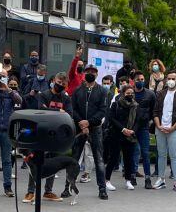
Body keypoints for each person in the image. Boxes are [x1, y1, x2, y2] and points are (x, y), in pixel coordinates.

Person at [24, 73, 71, 203]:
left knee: (53, 163)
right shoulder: (43, 95)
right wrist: (58, 112)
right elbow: (41, 110)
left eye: (63, 83)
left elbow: (69, 114)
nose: (60, 84)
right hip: (41, 133)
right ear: (53, 80)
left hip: (56, 135)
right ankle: (30, 191)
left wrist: (52, 110)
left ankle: (48, 191)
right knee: (35, 162)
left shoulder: (66, 98)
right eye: (58, 81)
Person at [71, 64, 109, 199]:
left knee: (99, 159)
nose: (90, 73)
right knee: (75, 158)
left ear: (97, 74)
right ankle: (68, 187)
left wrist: (89, 122)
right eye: (88, 71)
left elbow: (102, 110)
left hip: (95, 128)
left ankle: (102, 189)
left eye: (93, 72)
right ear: (84, 73)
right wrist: (81, 122)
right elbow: (72, 108)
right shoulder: (77, 90)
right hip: (79, 128)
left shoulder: (102, 91)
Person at [153, 71, 176, 192]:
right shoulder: (160, 94)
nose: (171, 81)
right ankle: (161, 179)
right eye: (169, 78)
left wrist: (172, 128)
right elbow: (155, 112)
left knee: (174, 155)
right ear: (166, 80)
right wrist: (159, 125)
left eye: (173, 78)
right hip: (160, 129)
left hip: (175, 130)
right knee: (161, 155)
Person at [104, 84, 141, 191]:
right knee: (113, 158)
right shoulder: (116, 104)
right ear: (123, 94)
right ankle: (107, 180)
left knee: (128, 158)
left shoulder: (136, 105)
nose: (130, 95)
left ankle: (128, 180)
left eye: (131, 93)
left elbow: (138, 120)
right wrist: (123, 129)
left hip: (130, 135)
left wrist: (133, 130)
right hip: (116, 134)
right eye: (127, 93)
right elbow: (111, 118)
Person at [131, 72, 156, 185]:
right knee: (133, 152)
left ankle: (147, 178)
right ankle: (132, 176)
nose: (140, 81)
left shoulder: (150, 94)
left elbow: (154, 110)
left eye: (142, 79)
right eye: (137, 79)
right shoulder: (129, 93)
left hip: (144, 127)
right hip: (131, 127)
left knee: (145, 153)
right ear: (133, 80)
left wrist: (150, 121)